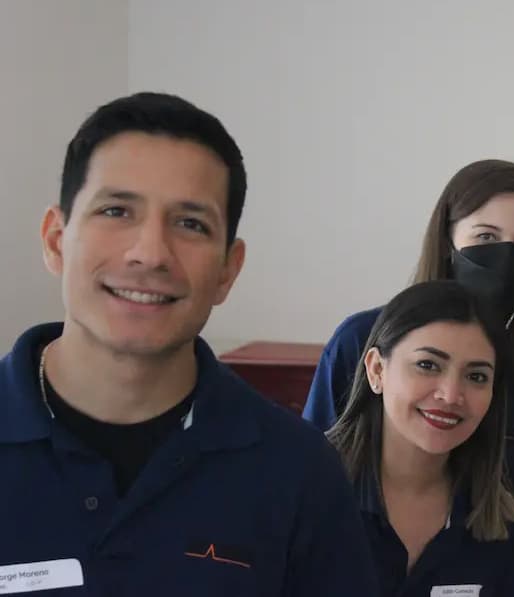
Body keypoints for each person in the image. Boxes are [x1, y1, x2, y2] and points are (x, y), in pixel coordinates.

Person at [0, 92, 378, 596]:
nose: (151, 253)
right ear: (55, 240)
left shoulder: (298, 472)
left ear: (228, 269)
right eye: (116, 210)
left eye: (190, 224)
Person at [304, 159, 514, 597]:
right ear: (448, 240)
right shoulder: (362, 340)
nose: (507, 257)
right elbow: (310, 475)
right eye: (486, 238)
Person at [328, 280, 514, 596]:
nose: (451, 395)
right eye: (427, 365)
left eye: (476, 376)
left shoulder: (499, 518)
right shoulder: (308, 490)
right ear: (376, 371)